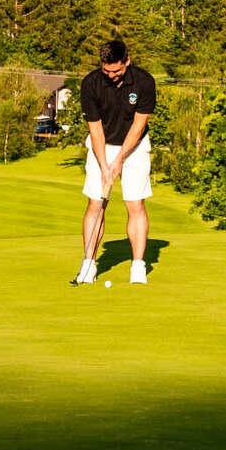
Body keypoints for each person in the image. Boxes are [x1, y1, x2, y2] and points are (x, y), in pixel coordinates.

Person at [71, 39, 157, 286]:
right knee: (96, 202)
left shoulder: (143, 82)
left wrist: (119, 160)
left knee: (135, 204)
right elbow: (95, 129)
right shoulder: (91, 83)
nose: (111, 76)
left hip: (135, 146)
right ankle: (88, 265)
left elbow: (139, 125)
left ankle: (138, 266)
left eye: (116, 71)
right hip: (102, 146)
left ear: (126, 62)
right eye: (106, 71)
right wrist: (104, 164)